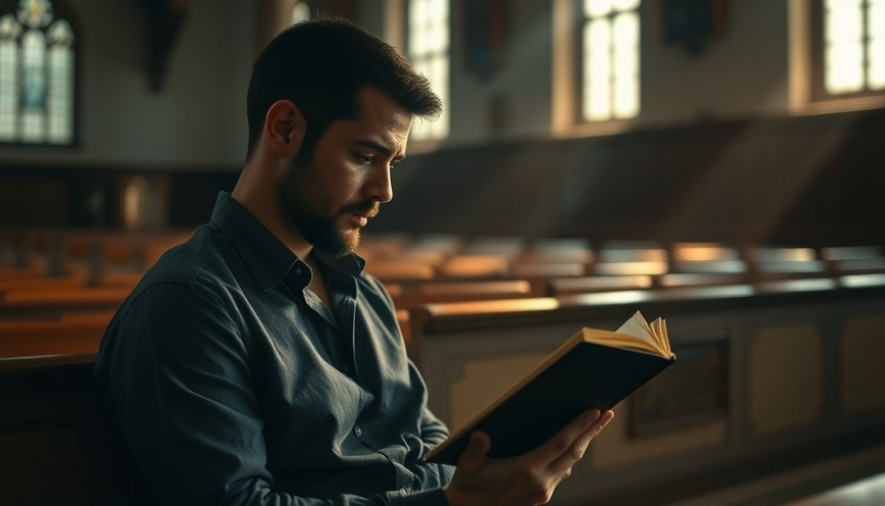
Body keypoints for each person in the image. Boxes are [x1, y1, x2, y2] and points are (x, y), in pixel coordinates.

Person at [95, 17, 614, 506]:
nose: (384, 191)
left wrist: (489, 476)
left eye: (393, 163)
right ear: (284, 130)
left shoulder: (363, 290)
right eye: (365, 156)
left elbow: (423, 435)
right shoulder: (189, 302)